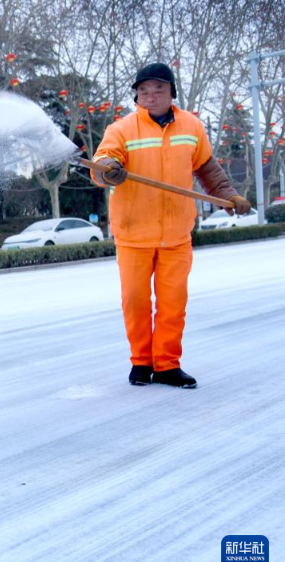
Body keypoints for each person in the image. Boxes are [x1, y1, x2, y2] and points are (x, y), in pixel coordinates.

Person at [90, 63, 251, 389]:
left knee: (173, 305)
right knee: (135, 302)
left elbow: (207, 168)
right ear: (137, 95)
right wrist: (109, 168)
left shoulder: (191, 126)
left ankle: (166, 365)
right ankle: (141, 362)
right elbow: (102, 163)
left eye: (158, 90)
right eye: (143, 91)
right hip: (134, 232)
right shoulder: (121, 129)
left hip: (177, 233)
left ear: (171, 92)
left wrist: (230, 194)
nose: (150, 97)